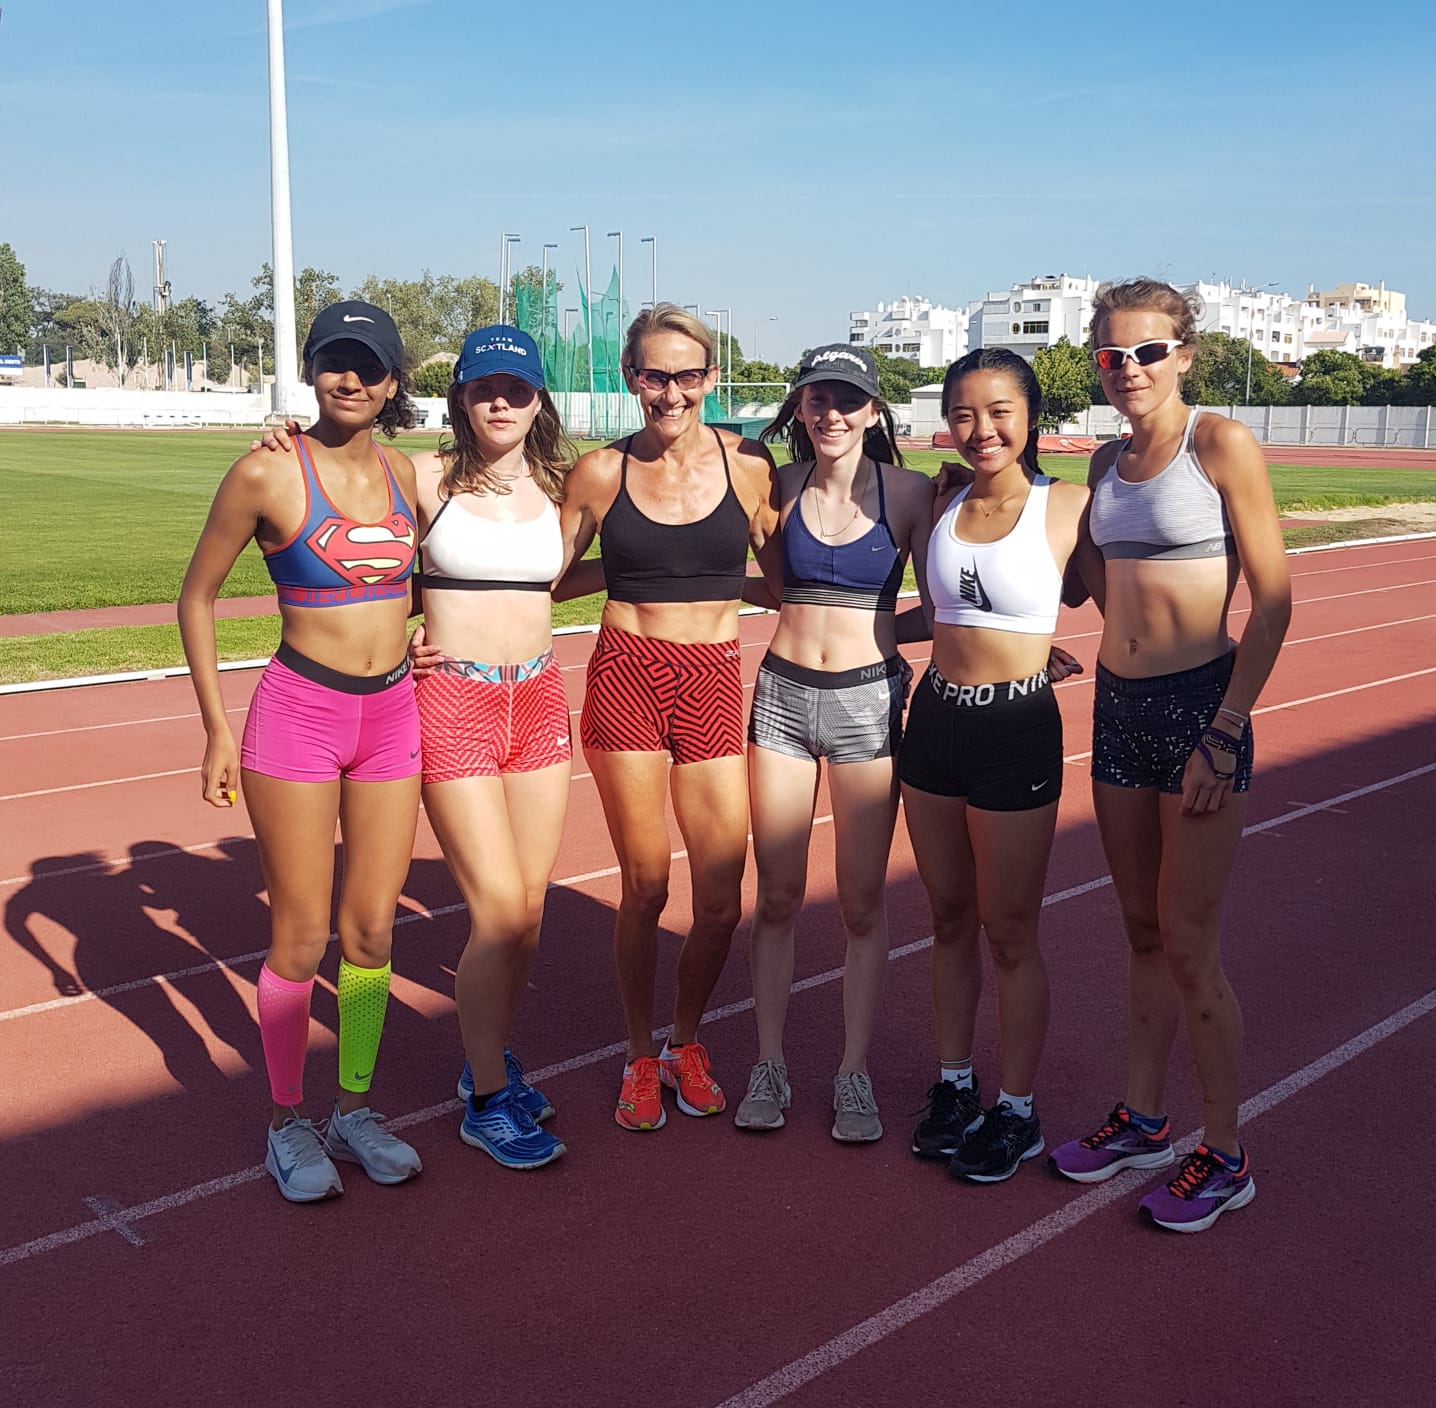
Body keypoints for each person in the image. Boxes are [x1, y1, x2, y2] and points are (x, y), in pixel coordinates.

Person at [259, 325, 603, 1170]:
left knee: (529, 913)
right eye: (484, 387)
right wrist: (285, 436)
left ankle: (489, 1060)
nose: (500, 402)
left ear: (539, 399)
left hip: (539, 698)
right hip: (454, 699)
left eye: (516, 389)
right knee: (496, 913)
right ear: (459, 396)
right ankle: (487, 1100)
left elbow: (563, 578)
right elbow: (367, 557)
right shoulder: (422, 477)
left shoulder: (564, 488)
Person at [1048, 278, 1291, 1232]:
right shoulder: (1105, 462)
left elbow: (1271, 602)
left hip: (1202, 710)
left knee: (1190, 944)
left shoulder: (1219, 444)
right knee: (1140, 931)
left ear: (1183, 354)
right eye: (1112, 354)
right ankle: (1143, 1117)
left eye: (1148, 351)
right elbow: (1101, 591)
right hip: (1120, 709)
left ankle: (1225, 1152)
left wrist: (1225, 728)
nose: (1129, 369)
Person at [178, 301, 424, 1202]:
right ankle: (287, 1121)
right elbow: (196, 596)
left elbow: (430, 577)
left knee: (371, 931)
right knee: (301, 935)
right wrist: (214, 724)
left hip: (393, 717)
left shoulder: (407, 473)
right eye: (332, 362)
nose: (348, 379)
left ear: (395, 383)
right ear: (312, 372)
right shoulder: (266, 472)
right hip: (298, 719)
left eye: (367, 366)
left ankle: (353, 1109)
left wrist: (423, 633)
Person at [559, 302, 780, 1131]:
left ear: (710, 379)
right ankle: (637, 1055)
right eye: (655, 375)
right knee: (647, 885)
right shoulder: (598, 473)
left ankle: (688, 1040)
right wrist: (628, 579)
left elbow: (790, 579)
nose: (672, 392)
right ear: (631, 378)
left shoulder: (749, 466)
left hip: (714, 676)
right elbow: (542, 578)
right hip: (627, 672)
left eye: (688, 375)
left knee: (722, 894)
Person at [734, 345, 934, 1141]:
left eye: (848, 401)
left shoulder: (912, 493)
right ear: (799, 408)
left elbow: (954, 592)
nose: (831, 415)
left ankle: (854, 1071)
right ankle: (770, 1063)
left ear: (875, 412)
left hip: (866, 704)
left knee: (858, 901)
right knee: (776, 897)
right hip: (781, 697)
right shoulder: (775, 485)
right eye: (817, 400)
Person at [900, 347, 1089, 1183]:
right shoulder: (941, 500)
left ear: (1032, 418)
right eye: (966, 413)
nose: (983, 429)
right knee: (945, 920)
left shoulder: (1069, 506)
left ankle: (1016, 1107)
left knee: (1008, 930)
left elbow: (1110, 603)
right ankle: (953, 1084)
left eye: (1001, 411)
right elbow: (938, 611)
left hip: (1016, 731)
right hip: (934, 721)